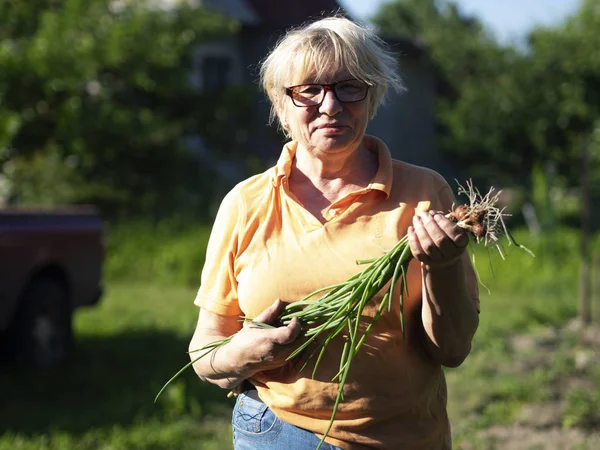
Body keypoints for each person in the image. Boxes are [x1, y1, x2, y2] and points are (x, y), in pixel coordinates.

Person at [189, 15, 480, 450]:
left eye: (349, 87)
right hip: (278, 433)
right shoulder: (245, 203)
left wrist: (445, 265)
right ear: (282, 105)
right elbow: (204, 353)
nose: (330, 105)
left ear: (371, 97)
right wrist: (249, 353)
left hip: (401, 437)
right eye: (309, 90)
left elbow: (452, 350)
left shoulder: (424, 192)